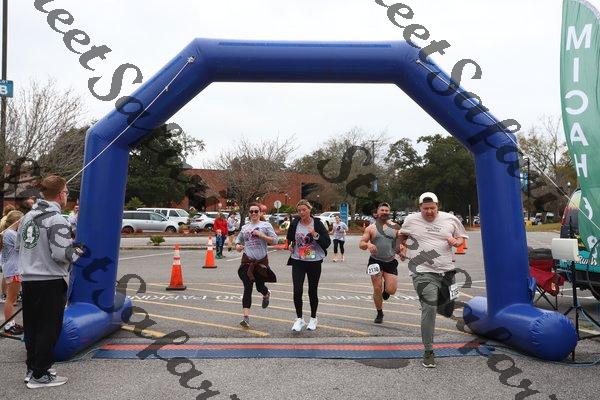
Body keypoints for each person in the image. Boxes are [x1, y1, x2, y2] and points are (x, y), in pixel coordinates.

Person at [17, 175, 82, 388]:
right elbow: (61, 254)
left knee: (32, 327)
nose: (67, 196)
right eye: (67, 192)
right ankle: (40, 374)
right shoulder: (57, 219)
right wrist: (77, 252)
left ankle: (33, 368)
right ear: (61, 194)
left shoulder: (27, 217)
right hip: (50, 279)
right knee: (48, 329)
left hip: (28, 279)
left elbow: (19, 246)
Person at [398, 192, 468, 368]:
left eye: (432, 208)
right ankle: (428, 351)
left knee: (447, 308)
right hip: (422, 271)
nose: (429, 212)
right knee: (429, 307)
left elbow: (461, 238)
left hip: (446, 271)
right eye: (425, 209)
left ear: (438, 206)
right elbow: (402, 235)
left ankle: (438, 306)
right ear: (420, 208)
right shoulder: (411, 220)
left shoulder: (450, 219)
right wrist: (402, 247)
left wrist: (456, 242)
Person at [286, 200, 331, 332]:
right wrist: (291, 245)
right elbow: (291, 238)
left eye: (304, 210)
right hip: (298, 260)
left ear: (309, 210)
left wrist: (315, 234)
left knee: (312, 290)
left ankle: (313, 318)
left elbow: (327, 242)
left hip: (314, 261)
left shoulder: (317, 223)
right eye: (299, 210)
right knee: (297, 290)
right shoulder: (295, 223)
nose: (302, 212)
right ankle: (299, 319)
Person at [234, 203, 279, 327]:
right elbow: (238, 240)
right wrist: (238, 246)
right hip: (247, 262)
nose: (253, 213)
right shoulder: (245, 227)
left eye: (256, 211)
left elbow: (275, 240)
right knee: (247, 288)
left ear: (260, 213)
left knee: (259, 287)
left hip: (260, 263)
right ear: (249, 213)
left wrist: (262, 235)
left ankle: (266, 293)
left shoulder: (266, 225)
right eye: (251, 211)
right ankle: (246, 318)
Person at [359, 202, 399, 324]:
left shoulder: (395, 227)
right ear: (377, 213)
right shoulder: (370, 228)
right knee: (377, 288)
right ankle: (379, 313)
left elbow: (401, 243)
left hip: (390, 260)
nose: (384, 212)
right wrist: (368, 244)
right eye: (382, 210)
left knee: (391, 290)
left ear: (389, 212)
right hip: (375, 261)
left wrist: (402, 250)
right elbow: (361, 244)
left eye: (387, 211)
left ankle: (386, 291)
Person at [1, 210, 24, 335]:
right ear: (17, 221)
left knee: (11, 298)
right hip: (14, 269)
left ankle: (11, 323)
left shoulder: (8, 232)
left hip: (11, 268)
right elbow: (24, 246)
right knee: (11, 299)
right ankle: (9, 325)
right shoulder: (11, 233)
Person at [0, 204, 15, 304]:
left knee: (5, 274)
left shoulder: (2, 220)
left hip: (4, 247)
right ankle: (8, 295)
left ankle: (4, 294)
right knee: (8, 274)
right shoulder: (8, 224)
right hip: (8, 247)